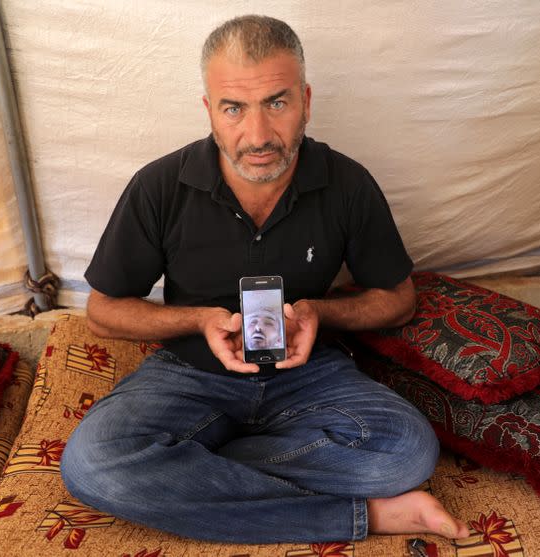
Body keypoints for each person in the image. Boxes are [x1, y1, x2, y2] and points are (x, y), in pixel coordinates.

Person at [61, 15, 469, 544]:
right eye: (234, 108)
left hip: (307, 373)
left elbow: (398, 298)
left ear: (306, 100)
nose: (257, 136)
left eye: (277, 103)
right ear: (210, 110)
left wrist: (320, 313)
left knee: (407, 451)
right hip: (190, 372)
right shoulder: (159, 185)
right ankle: (367, 516)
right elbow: (103, 309)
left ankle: (184, 469)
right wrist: (199, 320)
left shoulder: (348, 182)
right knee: (91, 463)